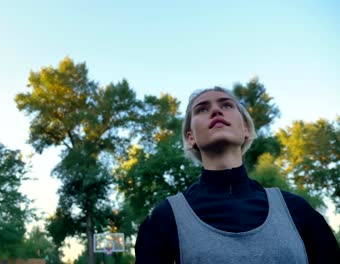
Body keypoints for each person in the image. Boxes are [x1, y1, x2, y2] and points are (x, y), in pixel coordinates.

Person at [135, 87, 340, 263]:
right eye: (202, 109)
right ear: (191, 138)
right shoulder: (163, 219)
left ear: (245, 130)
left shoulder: (298, 210)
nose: (215, 110)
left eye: (226, 105)